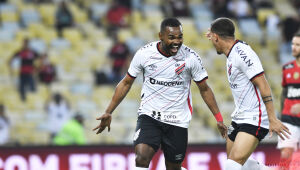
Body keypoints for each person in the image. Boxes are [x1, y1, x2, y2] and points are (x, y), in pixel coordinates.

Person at [93, 18, 227, 170]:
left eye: (180, 37)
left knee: (173, 167)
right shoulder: (145, 54)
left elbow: (205, 89)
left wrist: (219, 118)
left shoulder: (191, 58)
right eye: (171, 37)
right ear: (161, 36)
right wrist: (108, 111)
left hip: (177, 120)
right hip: (150, 116)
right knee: (141, 157)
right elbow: (126, 83)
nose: (176, 41)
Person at [205, 17, 291, 170]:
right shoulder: (231, 52)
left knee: (231, 165)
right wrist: (213, 32)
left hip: (255, 117)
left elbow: (263, 84)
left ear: (217, 37)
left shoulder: (242, 53)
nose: (212, 42)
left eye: (213, 38)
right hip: (239, 117)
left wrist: (272, 118)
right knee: (238, 163)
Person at [277, 31, 300, 170]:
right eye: (293, 44)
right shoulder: (287, 68)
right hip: (288, 118)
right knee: (286, 154)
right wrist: (280, 116)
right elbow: (284, 93)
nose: (293, 47)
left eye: (298, 45)